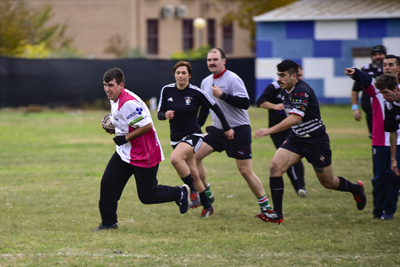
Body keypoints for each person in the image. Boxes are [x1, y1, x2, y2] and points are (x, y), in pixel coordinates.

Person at [254, 60, 366, 224]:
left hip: (316, 142)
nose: (279, 79)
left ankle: (356, 188)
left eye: (282, 75)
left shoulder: (302, 91)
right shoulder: (285, 90)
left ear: (294, 76)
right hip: (296, 139)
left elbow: (295, 117)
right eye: (278, 75)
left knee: (328, 182)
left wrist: (268, 131)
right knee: (275, 167)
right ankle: (277, 214)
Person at [93, 67, 191, 231]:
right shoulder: (114, 98)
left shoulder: (128, 103)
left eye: (110, 85)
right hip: (125, 152)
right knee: (108, 185)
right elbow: (128, 122)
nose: (107, 89)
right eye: (105, 85)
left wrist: (124, 138)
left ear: (120, 85)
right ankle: (109, 224)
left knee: (147, 196)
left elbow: (147, 125)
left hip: (145, 153)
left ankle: (179, 193)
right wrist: (117, 129)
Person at [196, 47, 272, 218]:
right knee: (194, 157)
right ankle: (207, 196)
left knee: (245, 171)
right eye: (209, 60)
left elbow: (245, 103)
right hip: (217, 130)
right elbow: (206, 108)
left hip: (239, 130)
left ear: (224, 61)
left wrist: (223, 95)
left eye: (215, 59)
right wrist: (196, 128)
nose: (212, 62)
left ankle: (266, 208)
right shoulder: (205, 82)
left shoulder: (233, 79)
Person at [157, 61, 234, 217]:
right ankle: (207, 206)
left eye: (184, 73)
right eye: (178, 73)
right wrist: (165, 115)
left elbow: (215, 107)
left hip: (194, 135)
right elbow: (159, 114)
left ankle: (192, 192)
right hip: (176, 139)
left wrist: (227, 128)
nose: (181, 76)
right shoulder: (166, 90)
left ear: (189, 75)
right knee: (194, 174)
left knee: (175, 159)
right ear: (174, 75)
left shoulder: (197, 92)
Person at [345, 55, 400, 220]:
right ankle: (378, 211)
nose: (387, 67)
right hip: (380, 140)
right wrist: (355, 73)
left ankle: (388, 211)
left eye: (391, 64)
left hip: (398, 142)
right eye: (384, 65)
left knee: (392, 176)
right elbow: (366, 79)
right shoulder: (378, 87)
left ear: (398, 68)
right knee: (378, 179)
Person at [256, 64, 307, 197]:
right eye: (298, 75)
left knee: (293, 157)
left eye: (301, 76)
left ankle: (301, 186)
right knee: (284, 160)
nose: (300, 78)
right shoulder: (275, 87)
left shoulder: (302, 90)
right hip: (276, 130)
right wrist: (274, 106)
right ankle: (298, 187)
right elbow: (260, 101)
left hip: (293, 129)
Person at [351, 45, 386, 138]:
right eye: (375, 54)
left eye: (380, 54)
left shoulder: (389, 70)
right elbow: (355, 90)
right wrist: (355, 108)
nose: (377, 56)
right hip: (370, 112)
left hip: (386, 112)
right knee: (374, 137)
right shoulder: (365, 69)